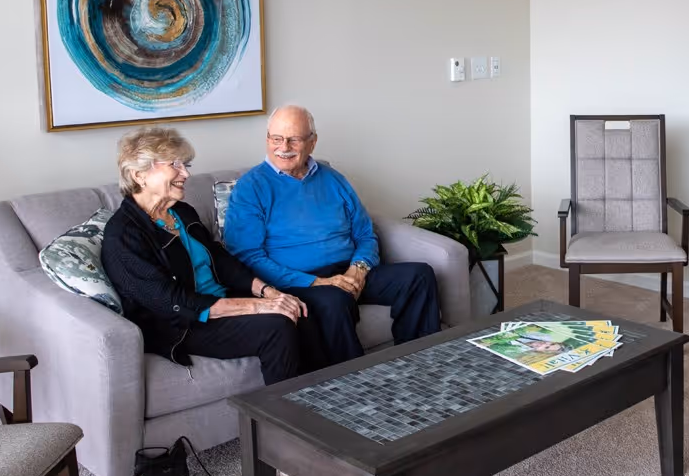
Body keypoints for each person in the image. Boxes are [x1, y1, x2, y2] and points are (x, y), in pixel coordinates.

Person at [223, 105, 441, 364]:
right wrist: (316, 283)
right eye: (276, 138)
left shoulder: (333, 179)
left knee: (419, 275)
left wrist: (358, 269)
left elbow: (364, 232)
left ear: (312, 142)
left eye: (294, 139)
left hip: (345, 270)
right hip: (295, 281)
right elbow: (248, 258)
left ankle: (420, 364)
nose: (284, 147)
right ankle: (354, 383)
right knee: (334, 299)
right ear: (267, 140)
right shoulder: (251, 187)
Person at [102, 127, 311, 386]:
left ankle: (325, 399)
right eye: (175, 165)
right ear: (139, 174)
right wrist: (261, 306)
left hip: (219, 300)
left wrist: (268, 292)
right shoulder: (123, 235)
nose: (186, 173)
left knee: (301, 308)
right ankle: (285, 418)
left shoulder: (182, 212)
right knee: (277, 326)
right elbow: (172, 302)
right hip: (183, 323)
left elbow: (219, 260)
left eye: (186, 164)